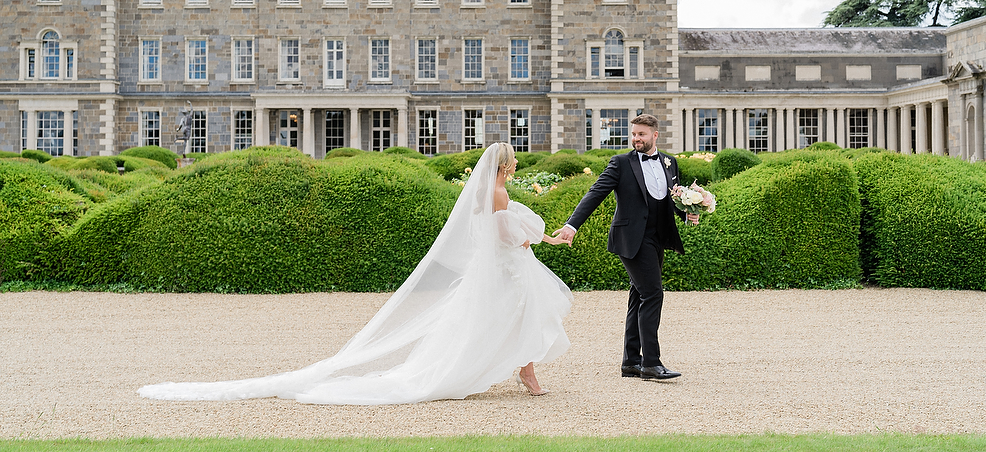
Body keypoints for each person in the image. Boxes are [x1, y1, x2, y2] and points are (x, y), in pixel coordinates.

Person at [139, 142, 571, 404]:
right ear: (506, 165)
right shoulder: (497, 191)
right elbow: (503, 232)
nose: (513, 167)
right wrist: (534, 239)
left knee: (507, 317)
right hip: (508, 266)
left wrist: (540, 238)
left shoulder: (488, 189)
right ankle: (518, 371)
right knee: (512, 316)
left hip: (503, 268)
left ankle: (520, 370)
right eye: (512, 163)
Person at [553, 114, 695, 380]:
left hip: (656, 237)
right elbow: (595, 192)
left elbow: (673, 198)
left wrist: (688, 213)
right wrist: (572, 225)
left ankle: (631, 362)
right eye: (634, 134)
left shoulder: (669, 162)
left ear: (655, 135)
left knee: (638, 295)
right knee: (653, 294)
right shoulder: (621, 163)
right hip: (631, 238)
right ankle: (651, 363)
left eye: (641, 134)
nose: (635, 139)